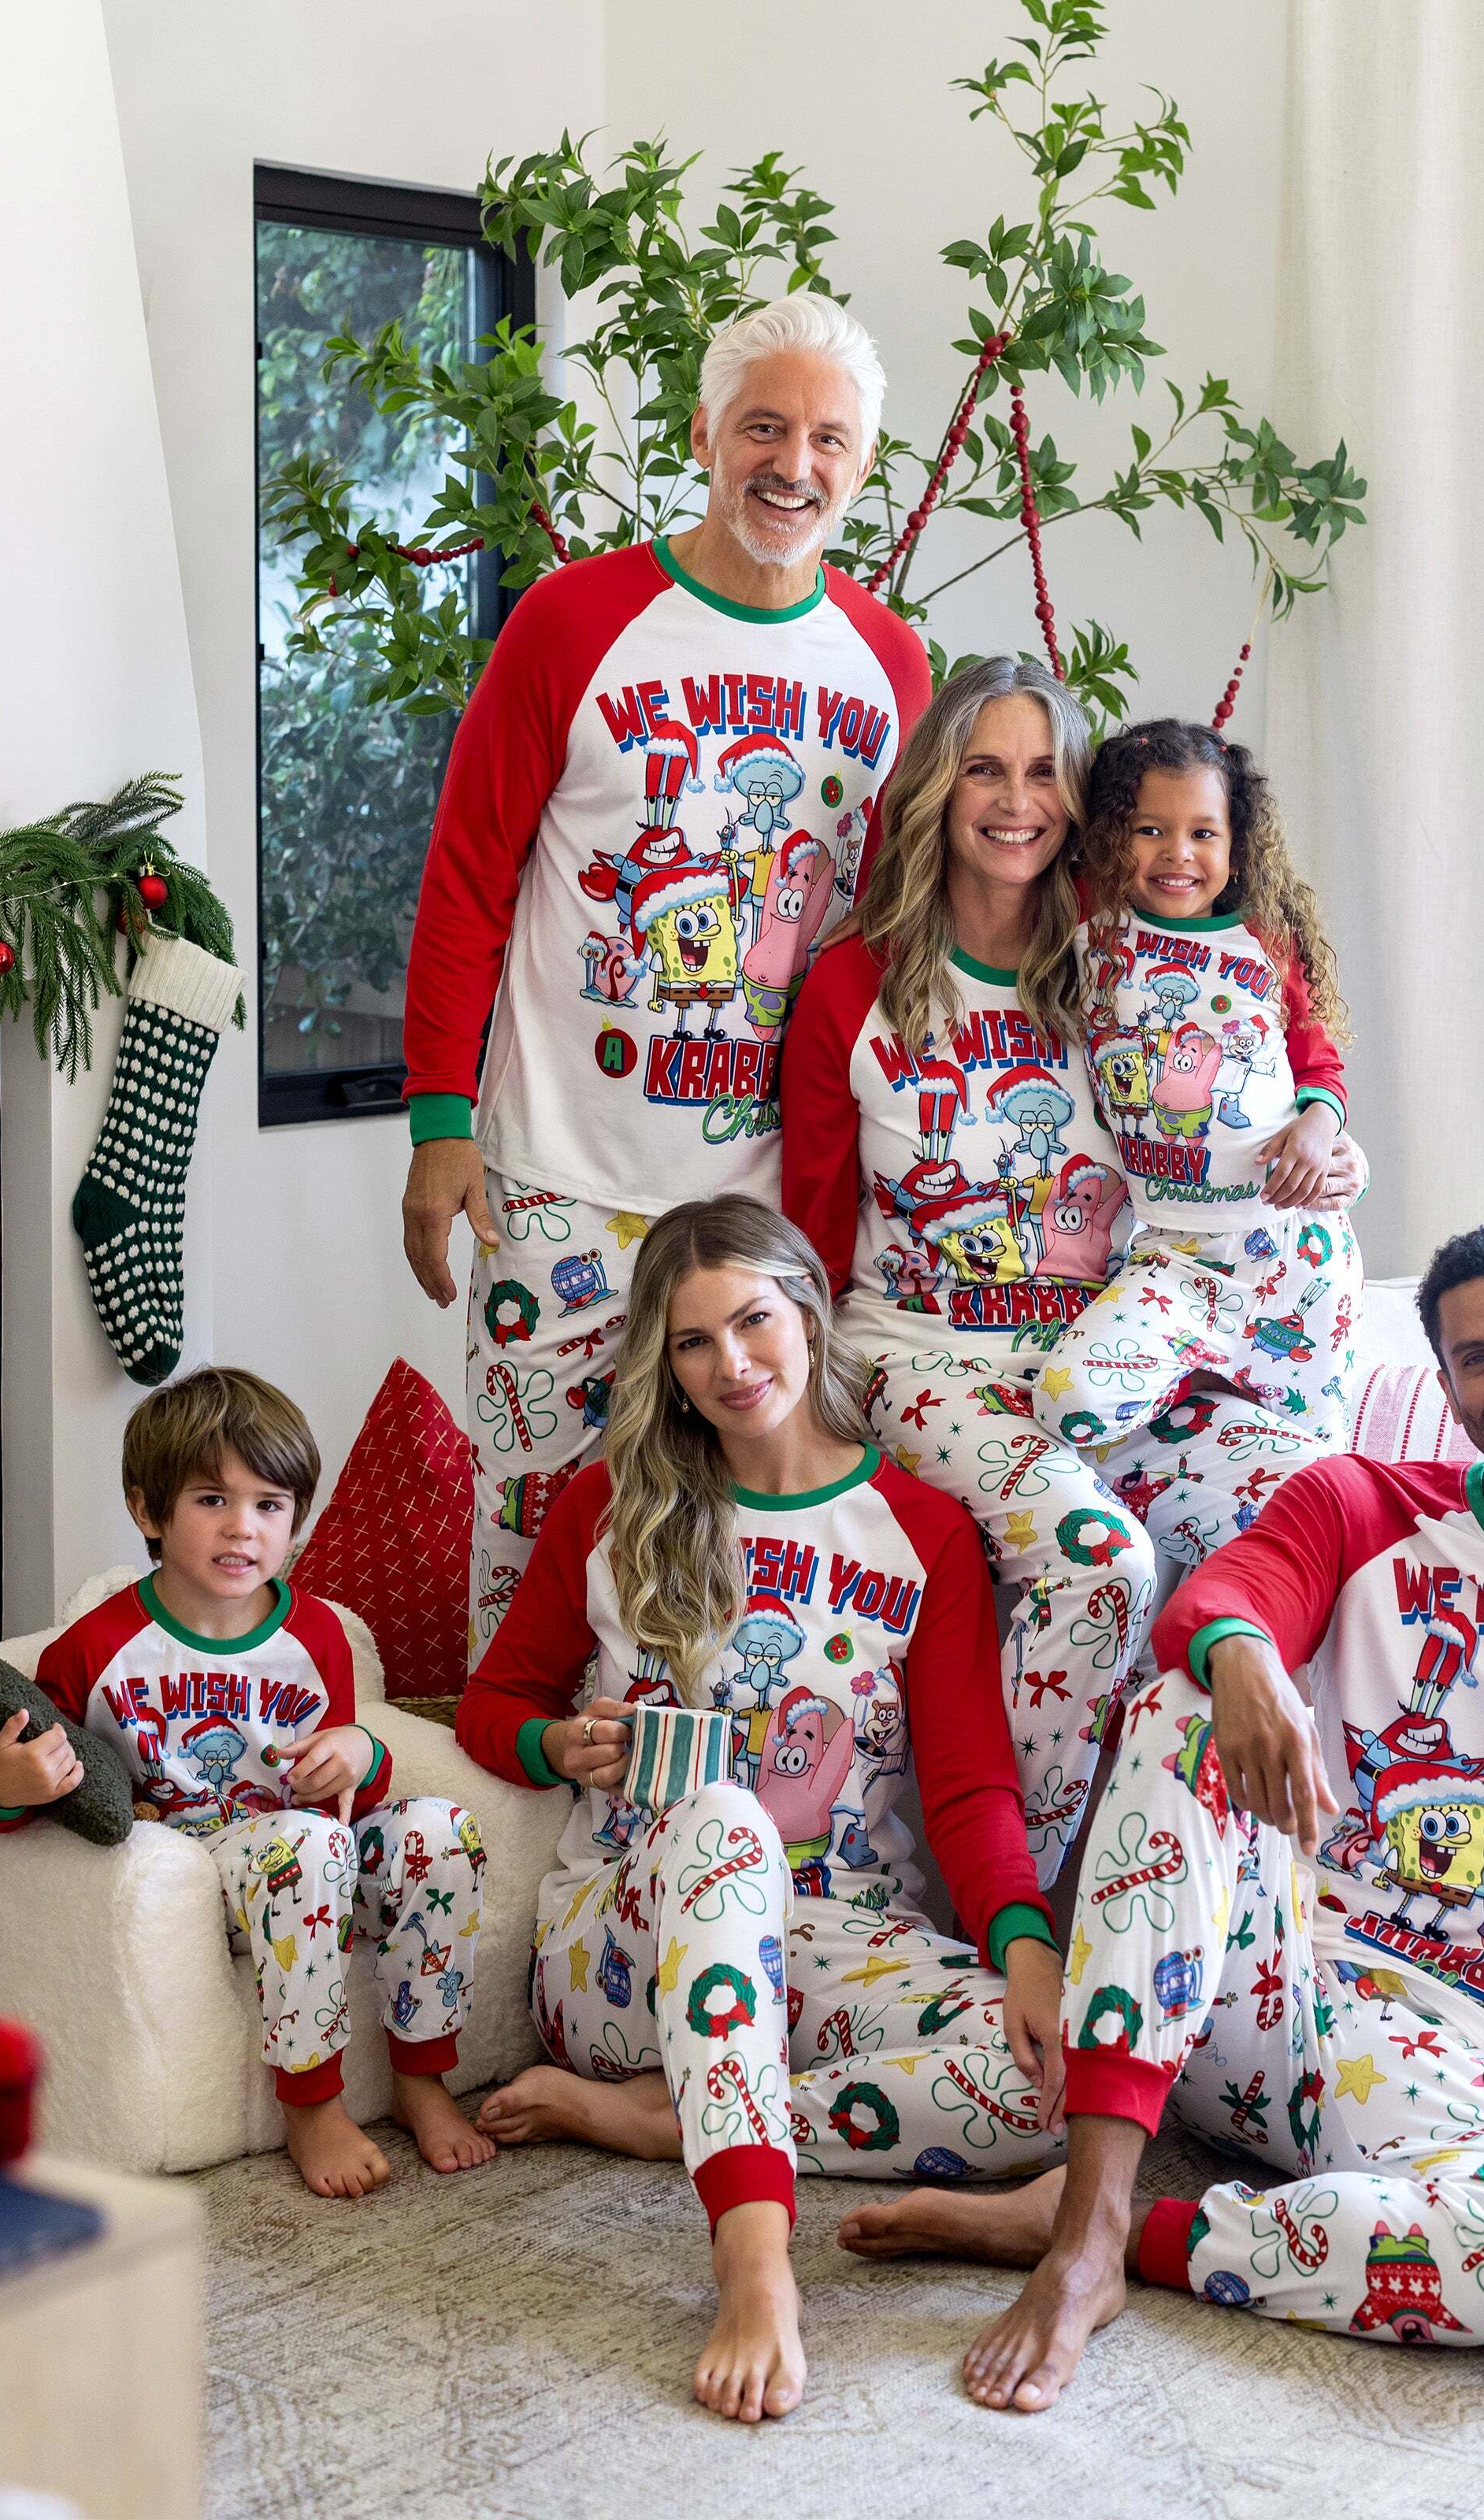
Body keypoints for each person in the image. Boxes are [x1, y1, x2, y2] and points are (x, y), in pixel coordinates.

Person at [839, 1221, 1484, 2402]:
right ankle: (1084, 2234)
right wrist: (1241, 1653)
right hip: (1250, 1992)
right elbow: (1231, 1594)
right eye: (1478, 1358)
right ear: (1447, 1386)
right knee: (1182, 1708)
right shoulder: (1364, 1502)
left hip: (1473, 2074)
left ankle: (1135, 2231)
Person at [454, 1195, 1067, 2425]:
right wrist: (557, 1744)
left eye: (752, 1322)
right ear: (664, 1362)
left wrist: (1026, 1949)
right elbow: (492, 1704)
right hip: (620, 1951)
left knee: (1044, 2089)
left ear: (809, 1315)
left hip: (836, 1940)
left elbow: (967, 1786)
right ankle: (753, 2258)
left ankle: (669, 2121)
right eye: (693, 1342)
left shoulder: (923, 1533)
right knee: (724, 1821)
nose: (731, 1365)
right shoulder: (611, 1507)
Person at [396, 293, 930, 1654]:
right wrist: (439, 1121)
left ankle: (683, 1785)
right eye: (763, 427)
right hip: (556, 1179)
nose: (793, 465)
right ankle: (510, 1784)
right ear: (702, 434)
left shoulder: (889, 665)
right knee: (530, 1534)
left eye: (828, 439)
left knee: (731, 1548)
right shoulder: (572, 621)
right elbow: (466, 878)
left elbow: (893, 936)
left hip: (761, 1200)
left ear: (863, 464)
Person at [781, 661, 1366, 1880]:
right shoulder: (855, 986)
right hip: (928, 1366)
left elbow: (1266, 1027)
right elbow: (813, 1227)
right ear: (937, 791)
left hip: (1110, 1366)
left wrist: (1324, 1129)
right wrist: (805, 1429)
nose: (1016, 800)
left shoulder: (1114, 957)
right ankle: (1022, 1901)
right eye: (983, 770)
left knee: (1326, 1503)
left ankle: (1265, 1889)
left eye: (1044, 771)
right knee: (1102, 1562)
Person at [0, 1369, 493, 2199]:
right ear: (149, 1511)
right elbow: (21, 1792)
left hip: (321, 1864)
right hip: (204, 1880)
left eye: (269, 1504)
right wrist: (4, 1784)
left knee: (441, 1827)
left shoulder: (318, 1633)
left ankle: (421, 2075)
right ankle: (311, 2104)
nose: (243, 1527)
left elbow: (348, 1781)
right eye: (212, 1499)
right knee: (306, 1843)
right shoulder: (94, 1648)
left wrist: (361, 1752)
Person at [1037, 718, 1363, 1460]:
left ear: (1237, 844)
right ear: (1110, 835)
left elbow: (1319, 1066)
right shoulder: (1088, 920)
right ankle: (1201, 1390)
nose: (1177, 853)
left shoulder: (1268, 938)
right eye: (1149, 829)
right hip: (1173, 1255)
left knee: (1318, 1467)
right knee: (1070, 1403)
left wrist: (1321, 1127)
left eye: (1203, 833)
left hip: (1301, 1252)